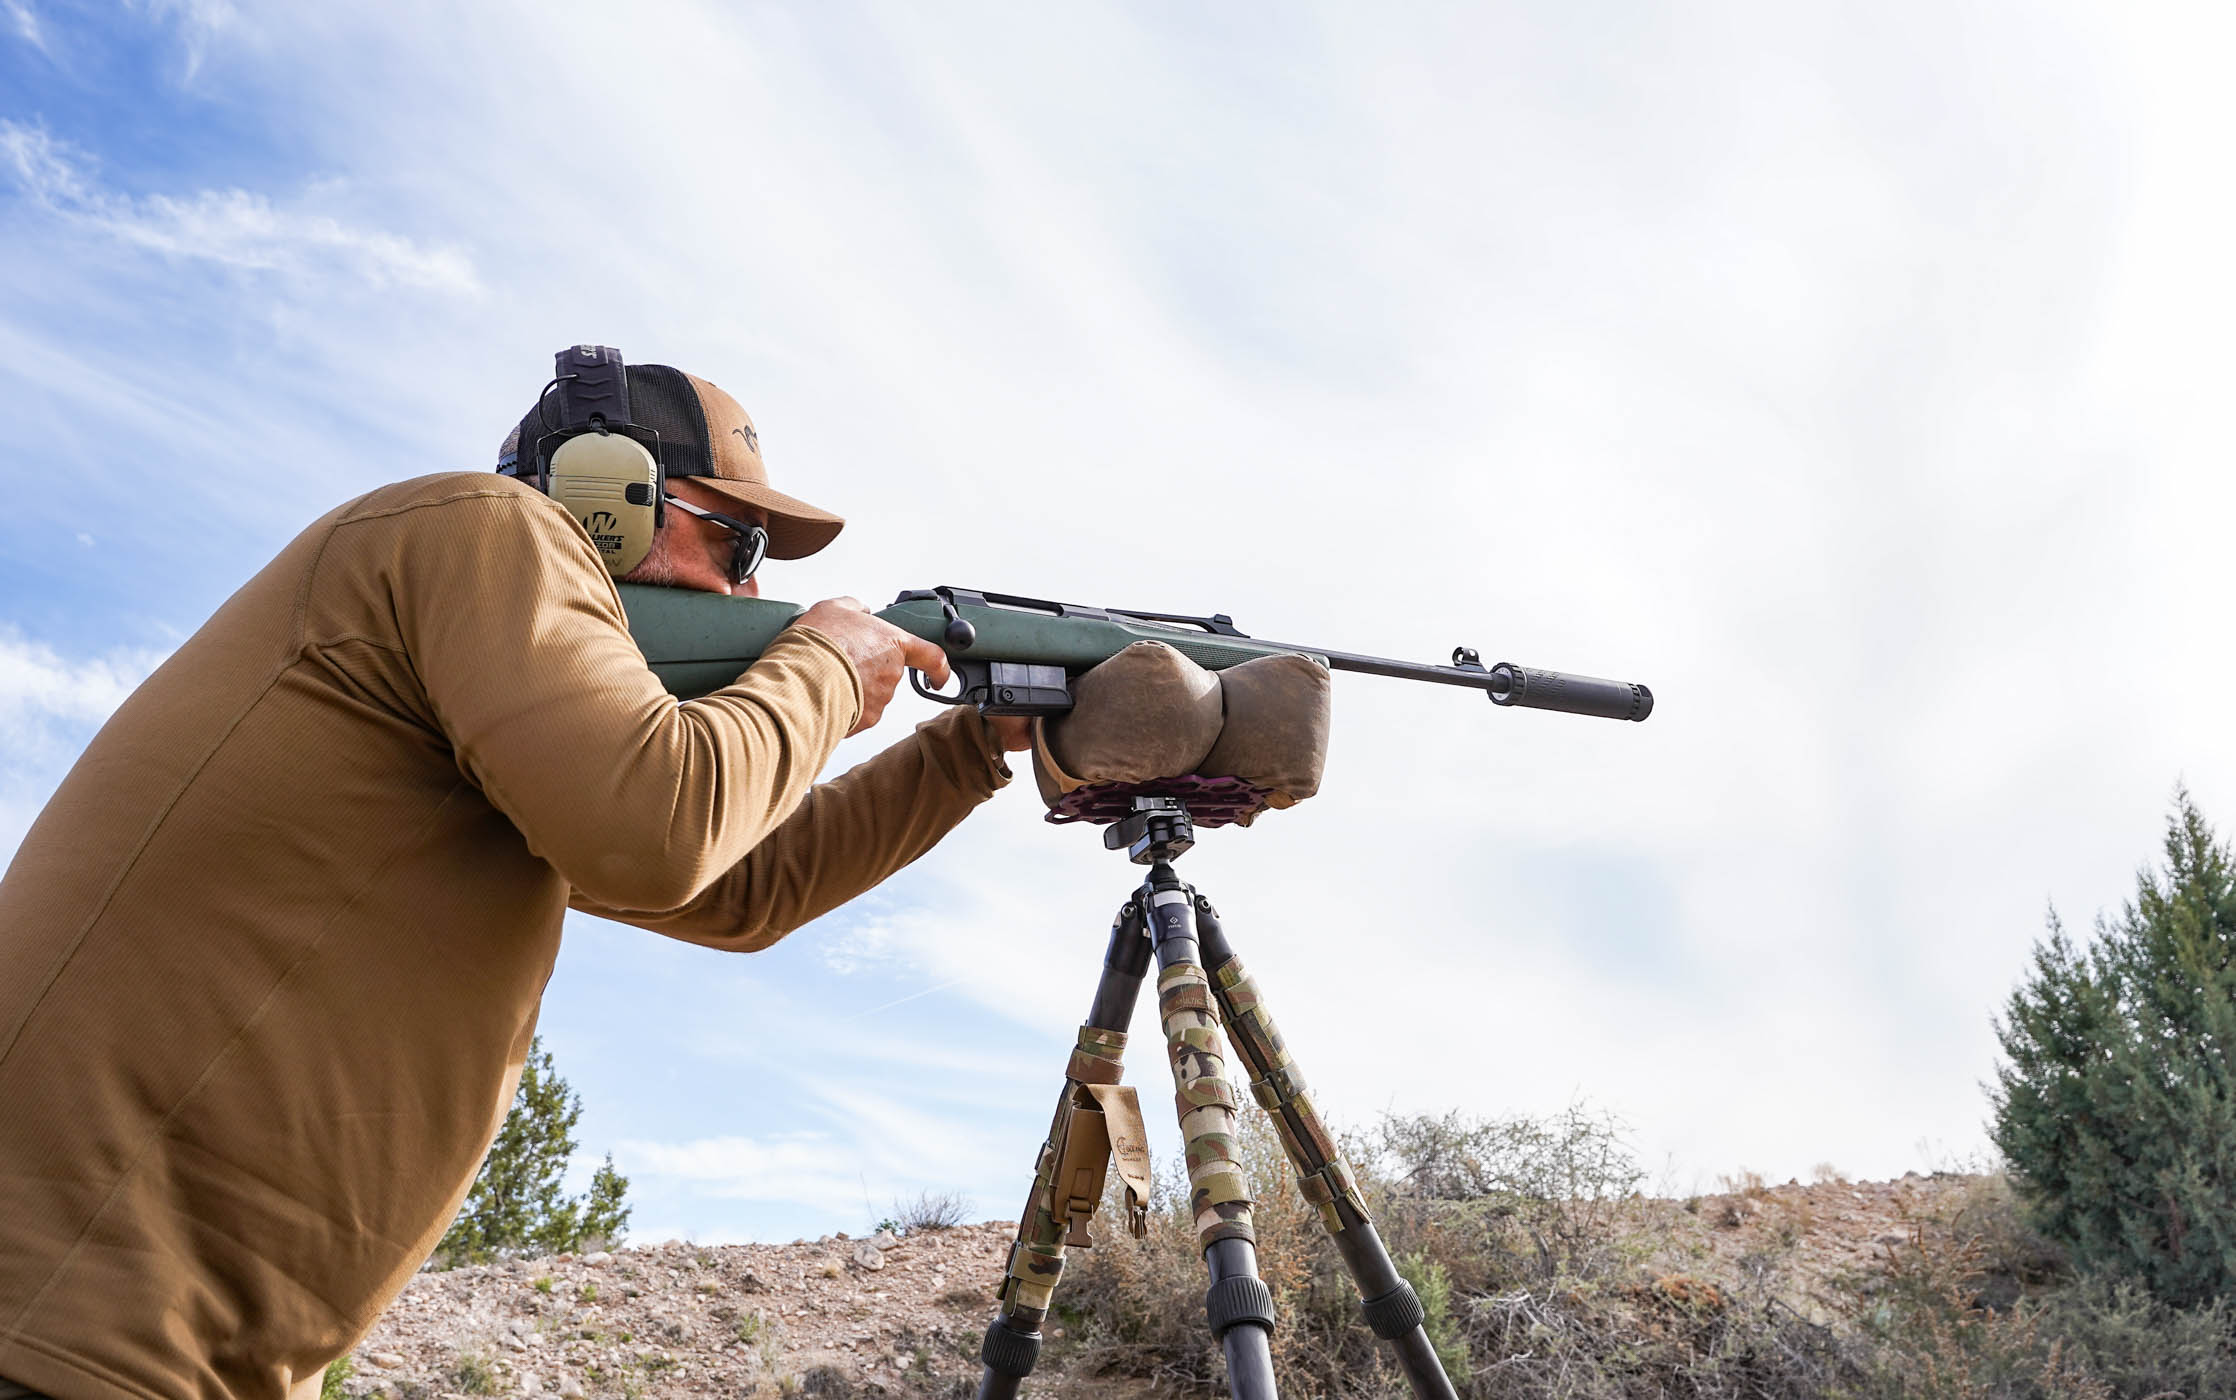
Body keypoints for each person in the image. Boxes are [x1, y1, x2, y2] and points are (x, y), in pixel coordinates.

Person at [0, 353, 1029, 1400]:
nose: (750, 590)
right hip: (62, 1339)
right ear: (602, 500)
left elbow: (744, 884)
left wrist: (974, 745)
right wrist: (820, 665)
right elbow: (658, 826)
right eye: (734, 540)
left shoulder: (491, 704)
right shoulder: (484, 527)